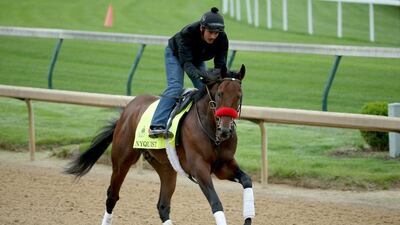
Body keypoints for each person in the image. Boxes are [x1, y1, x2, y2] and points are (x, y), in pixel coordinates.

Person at [149, 7, 229, 138]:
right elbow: (187, 64)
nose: (213, 36)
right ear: (202, 28)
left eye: (217, 33)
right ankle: (157, 125)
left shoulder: (222, 39)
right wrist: (200, 76)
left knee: (207, 90)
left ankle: (211, 126)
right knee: (175, 87)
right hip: (176, 55)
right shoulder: (188, 33)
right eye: (210, 32)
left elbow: (220, 66)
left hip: (197, 58)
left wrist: (215, 80)